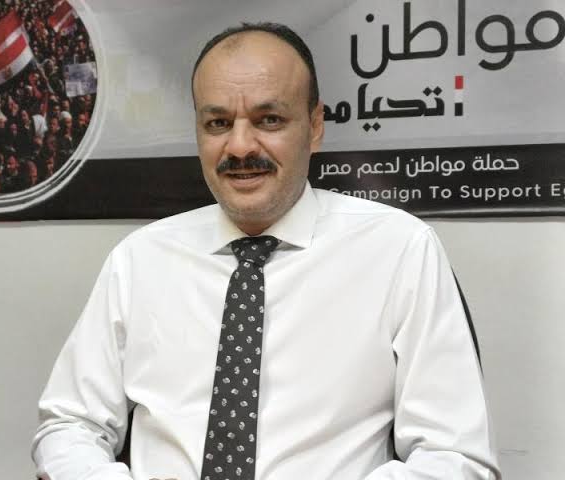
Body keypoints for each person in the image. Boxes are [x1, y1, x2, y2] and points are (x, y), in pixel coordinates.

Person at [32, 22, 500, 480]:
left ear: (315, 126)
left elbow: (454, 456)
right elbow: (69, 424)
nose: (239, 146)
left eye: (268, 120)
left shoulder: (400, 250)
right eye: (218, 123)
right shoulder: (140, 259)